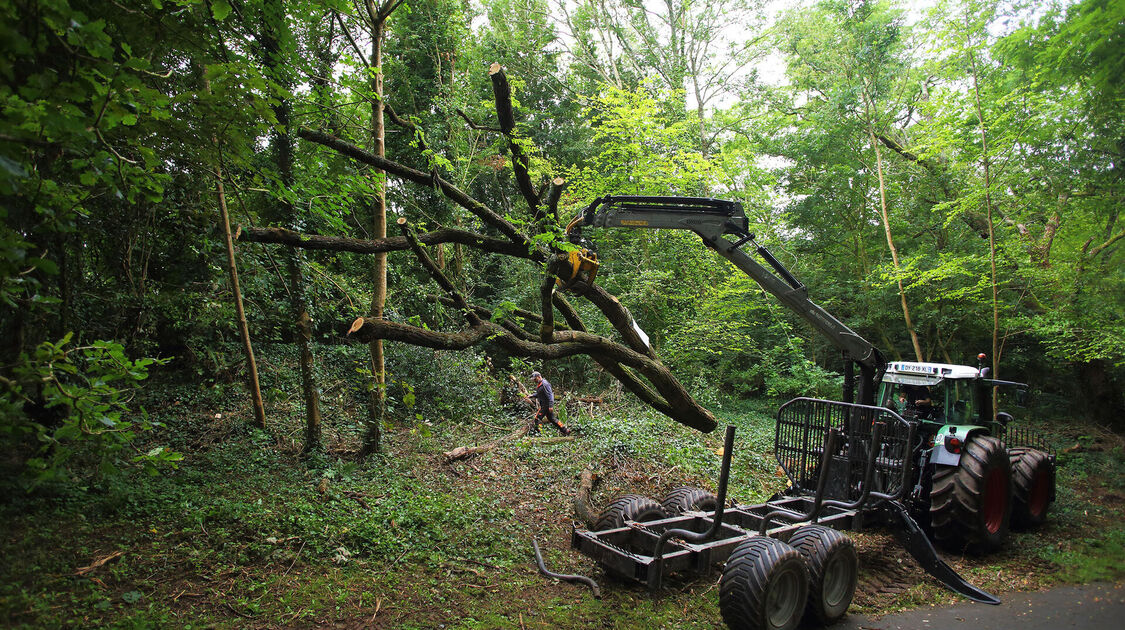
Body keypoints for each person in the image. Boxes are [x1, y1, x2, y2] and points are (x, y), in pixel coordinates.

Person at [527, 371, 570, 436]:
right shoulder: (540, 384)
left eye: (535, 379)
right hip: (545, 405)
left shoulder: (545, 384)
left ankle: (540, 433)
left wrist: (550, 406)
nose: (534, 381)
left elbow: (550, 395)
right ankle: (565, 430)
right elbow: (540, 394)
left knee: (537, 419)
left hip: (546, 406)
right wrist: (532, 395)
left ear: (539, 377)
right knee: (552, 419)